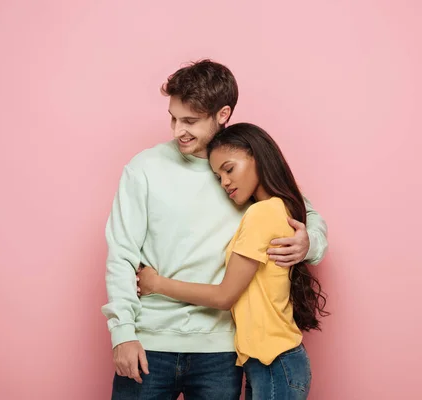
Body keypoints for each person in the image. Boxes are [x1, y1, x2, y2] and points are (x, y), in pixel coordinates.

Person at [102, 60, 329, 399]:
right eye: (173, 118)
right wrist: (122, 333)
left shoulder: (241, 166)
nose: (178, 130)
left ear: (222, 114)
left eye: (190, 120)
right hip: (149, 342)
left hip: (221, 351)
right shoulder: (144, 169)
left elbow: (300, 210)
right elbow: (121, 252)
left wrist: (308, 242)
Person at [137, 122, 329, 399]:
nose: (225, 182)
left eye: (229, 169)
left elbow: (224, 296)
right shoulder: (275, 208)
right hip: (267, 363)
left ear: (258, 158)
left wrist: (156, 284)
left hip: (274, 362)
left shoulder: (263, 214)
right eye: (218, 176)